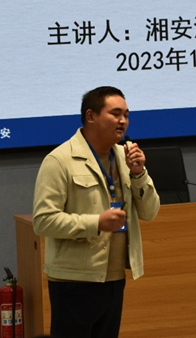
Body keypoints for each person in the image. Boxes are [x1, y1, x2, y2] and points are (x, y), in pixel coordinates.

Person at [32, 86, 160, 338]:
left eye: (126, 115)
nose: (123, 121)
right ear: (90, 116)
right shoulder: (60, 160)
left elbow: (150, 212)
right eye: (115, 114)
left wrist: (139, 174)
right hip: (74, 279)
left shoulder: (125, 157)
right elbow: (43, 221)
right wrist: (96, 223)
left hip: (114, 277)